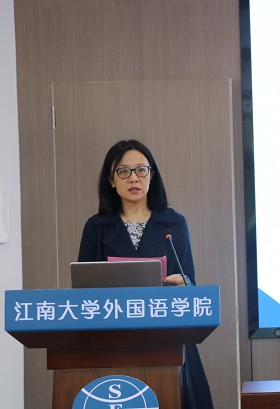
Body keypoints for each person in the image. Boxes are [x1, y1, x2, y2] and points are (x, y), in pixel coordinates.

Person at [77, 139, 214, 409]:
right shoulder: (96, 227)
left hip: (168, 335)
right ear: (111, 180)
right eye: (123, 171)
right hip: (112, 338)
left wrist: (183, 284)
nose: (133, 178)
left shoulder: (174, 223)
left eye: (141, 170)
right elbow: (82, 290)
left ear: (152, 175)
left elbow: (190, 281)